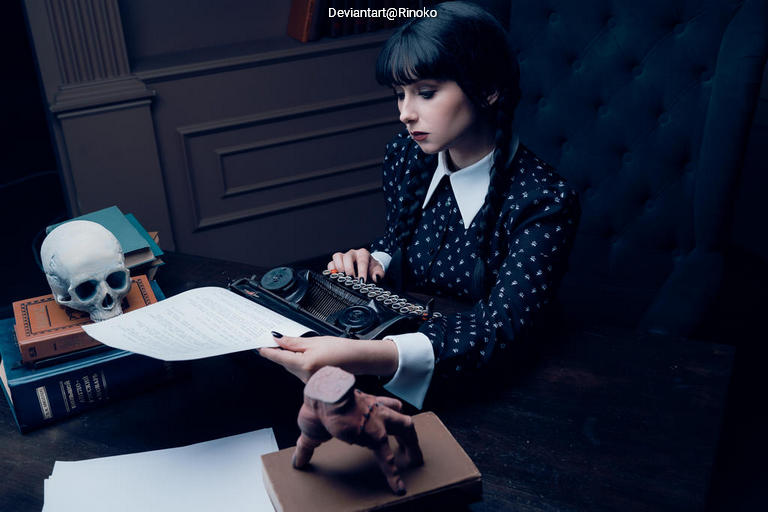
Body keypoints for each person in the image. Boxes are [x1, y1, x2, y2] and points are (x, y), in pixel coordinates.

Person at [259, 1, 579, 409]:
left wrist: (367, 358)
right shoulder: (405, 157)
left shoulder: (543, 199)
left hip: (494, 390)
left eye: (425, 93)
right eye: (399, 95)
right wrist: (374, 261)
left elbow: (501, 327)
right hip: (397, 347)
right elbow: (398, 238)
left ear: (487, 90)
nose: (406, 114)